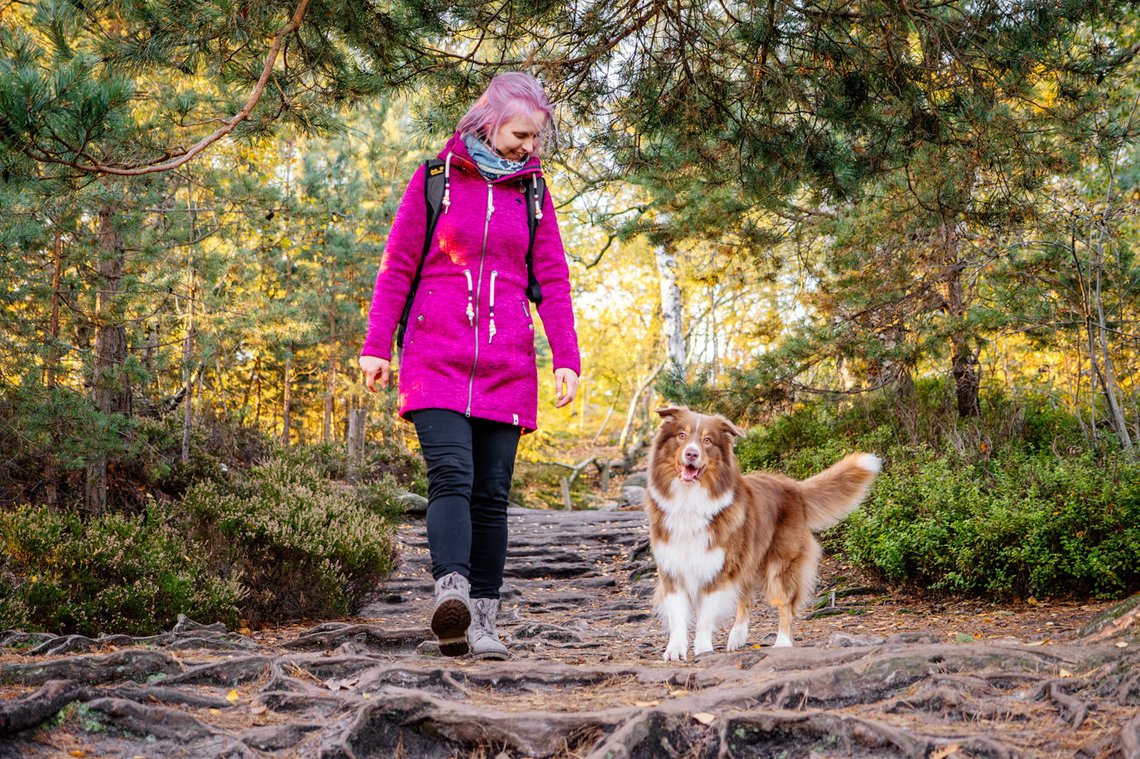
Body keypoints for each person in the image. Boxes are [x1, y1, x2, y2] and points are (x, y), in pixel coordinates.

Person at [358, 72, 581, 659]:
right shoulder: (436, 179)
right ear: (489, 122)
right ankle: (450, 592)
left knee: (491, 493)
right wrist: (377, 345)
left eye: (536, 137)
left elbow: (553, 280)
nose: (529, 146)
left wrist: (567, 357)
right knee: (452, 475)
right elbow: (398, 265)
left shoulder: (533, 193)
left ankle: (482, 621)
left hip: (508, 363)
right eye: (520, 134)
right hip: (435, 356)